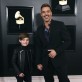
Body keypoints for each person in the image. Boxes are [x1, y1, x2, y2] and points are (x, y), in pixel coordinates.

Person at [35, 3, 71, 82]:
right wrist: (38, 62)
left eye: (48, 11)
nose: (46, 14)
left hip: (60, 60)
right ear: (41, 14)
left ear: (51, 13)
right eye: (43, 12)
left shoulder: (60, 25)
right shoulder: (39, 29)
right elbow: (38, 47)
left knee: (64, 80)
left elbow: (68, 41)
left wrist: (56, 51)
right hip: (46, 61)